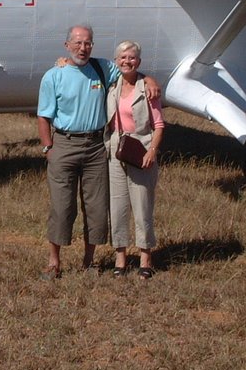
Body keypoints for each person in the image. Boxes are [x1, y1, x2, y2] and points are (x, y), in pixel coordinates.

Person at [37, 25, 158, 279]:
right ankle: (54, 261)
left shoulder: (103, 68)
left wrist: (149, 79)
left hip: (95, 147)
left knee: (96, 206)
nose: (83, 48)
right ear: (67, 45)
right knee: (61, 206)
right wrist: (48, 147)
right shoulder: (53, 75)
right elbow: (44, 115)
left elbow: (130, 69)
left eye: (88, 43)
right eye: (78, 43)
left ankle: (90, 261)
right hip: (64, 145)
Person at [105, 41, 165, 279]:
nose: (127, 61)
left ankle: (145, 258)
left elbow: (159, 125)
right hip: (115, 151)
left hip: (140, 150)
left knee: (142, 206)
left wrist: (152, 151)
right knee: (117, 207)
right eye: (122, 57)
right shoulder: (112, 86)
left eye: (131, 58)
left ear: (138, 62)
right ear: (116, 61)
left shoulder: (148, 89)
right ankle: (120, 258)